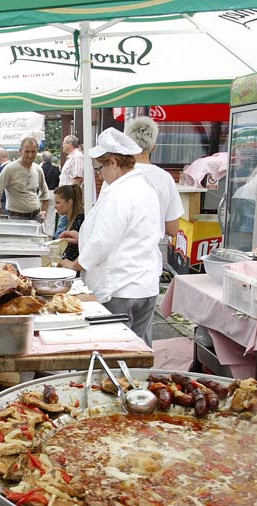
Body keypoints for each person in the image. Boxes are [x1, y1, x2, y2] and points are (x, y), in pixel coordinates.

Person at [60, 128, 162, 345]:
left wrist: (74, 265)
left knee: (114, 351)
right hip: (144, 284)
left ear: (113, 162)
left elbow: (103, 241)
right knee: (137, 350)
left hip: (120, 287)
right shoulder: (144, 188)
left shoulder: (120, 193)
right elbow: (131, 234)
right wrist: (83, 238)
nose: (99, 174)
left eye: (100, 167)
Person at [125, 116, 184, 242]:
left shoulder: (117, 174)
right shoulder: (165, 178)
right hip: (152, 255)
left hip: (119, 255)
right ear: (154, 147)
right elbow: (172, 229)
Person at [0, 137, 50, 223]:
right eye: (27, 152)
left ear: (37, 151)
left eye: (33, 151)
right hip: (15, 217)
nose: (30, 155)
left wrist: (43, 212)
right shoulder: (10, 169)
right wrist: (0, 216)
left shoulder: (38, 169)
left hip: (36, 217)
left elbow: (45, 193)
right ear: (20, 151)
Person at [55, 135, 84, 236]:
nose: (62, 146)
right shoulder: (72, 157)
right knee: (63, 227)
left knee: (62, 229)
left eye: (63, 143)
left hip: (68, 201)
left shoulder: (77, 157)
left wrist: (69, 199)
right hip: (66, 201)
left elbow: (78, 178)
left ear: (70, 145)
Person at [54, 184, 85, 262]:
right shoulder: (73, 219)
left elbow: (72, 254)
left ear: (69, 203)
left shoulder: (79, 220)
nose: (55, 206)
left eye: (58, 203)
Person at [40, 150, 61, 236]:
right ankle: (50, 233)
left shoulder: (40, 169)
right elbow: (58, 181)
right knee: (51, 214)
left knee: (41, 213)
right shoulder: (56, 169)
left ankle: (41, 232)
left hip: (42, 193)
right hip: (53, 193)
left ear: (42, 158)